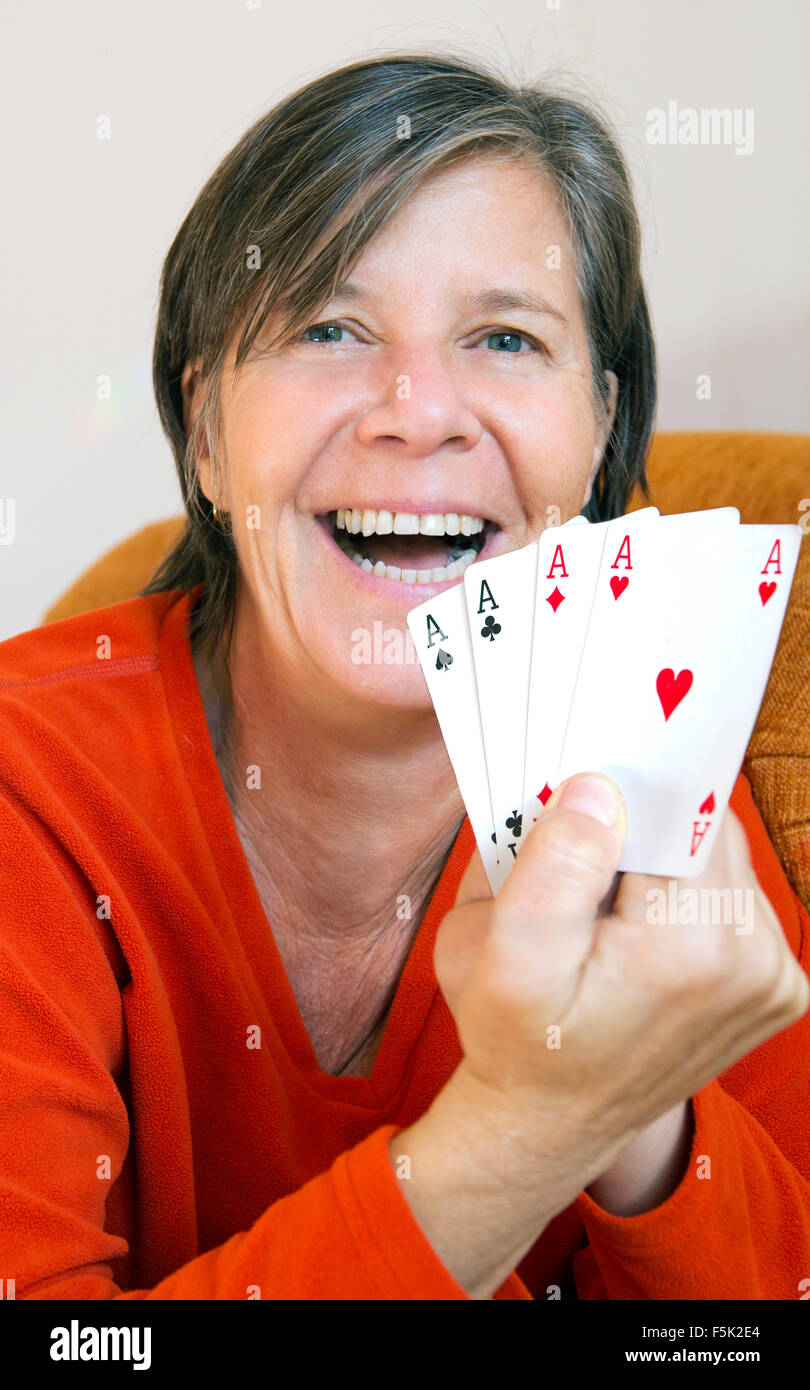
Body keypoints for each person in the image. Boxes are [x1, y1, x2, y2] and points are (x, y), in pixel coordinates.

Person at [1, 52, 808, 1302]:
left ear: (599, 437)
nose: (416, 409)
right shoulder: (26, 782)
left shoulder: (664, 765)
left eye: (503, 336)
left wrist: (644, 1123)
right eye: (331, 326)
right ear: (206, 432)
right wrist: (530, 1124)